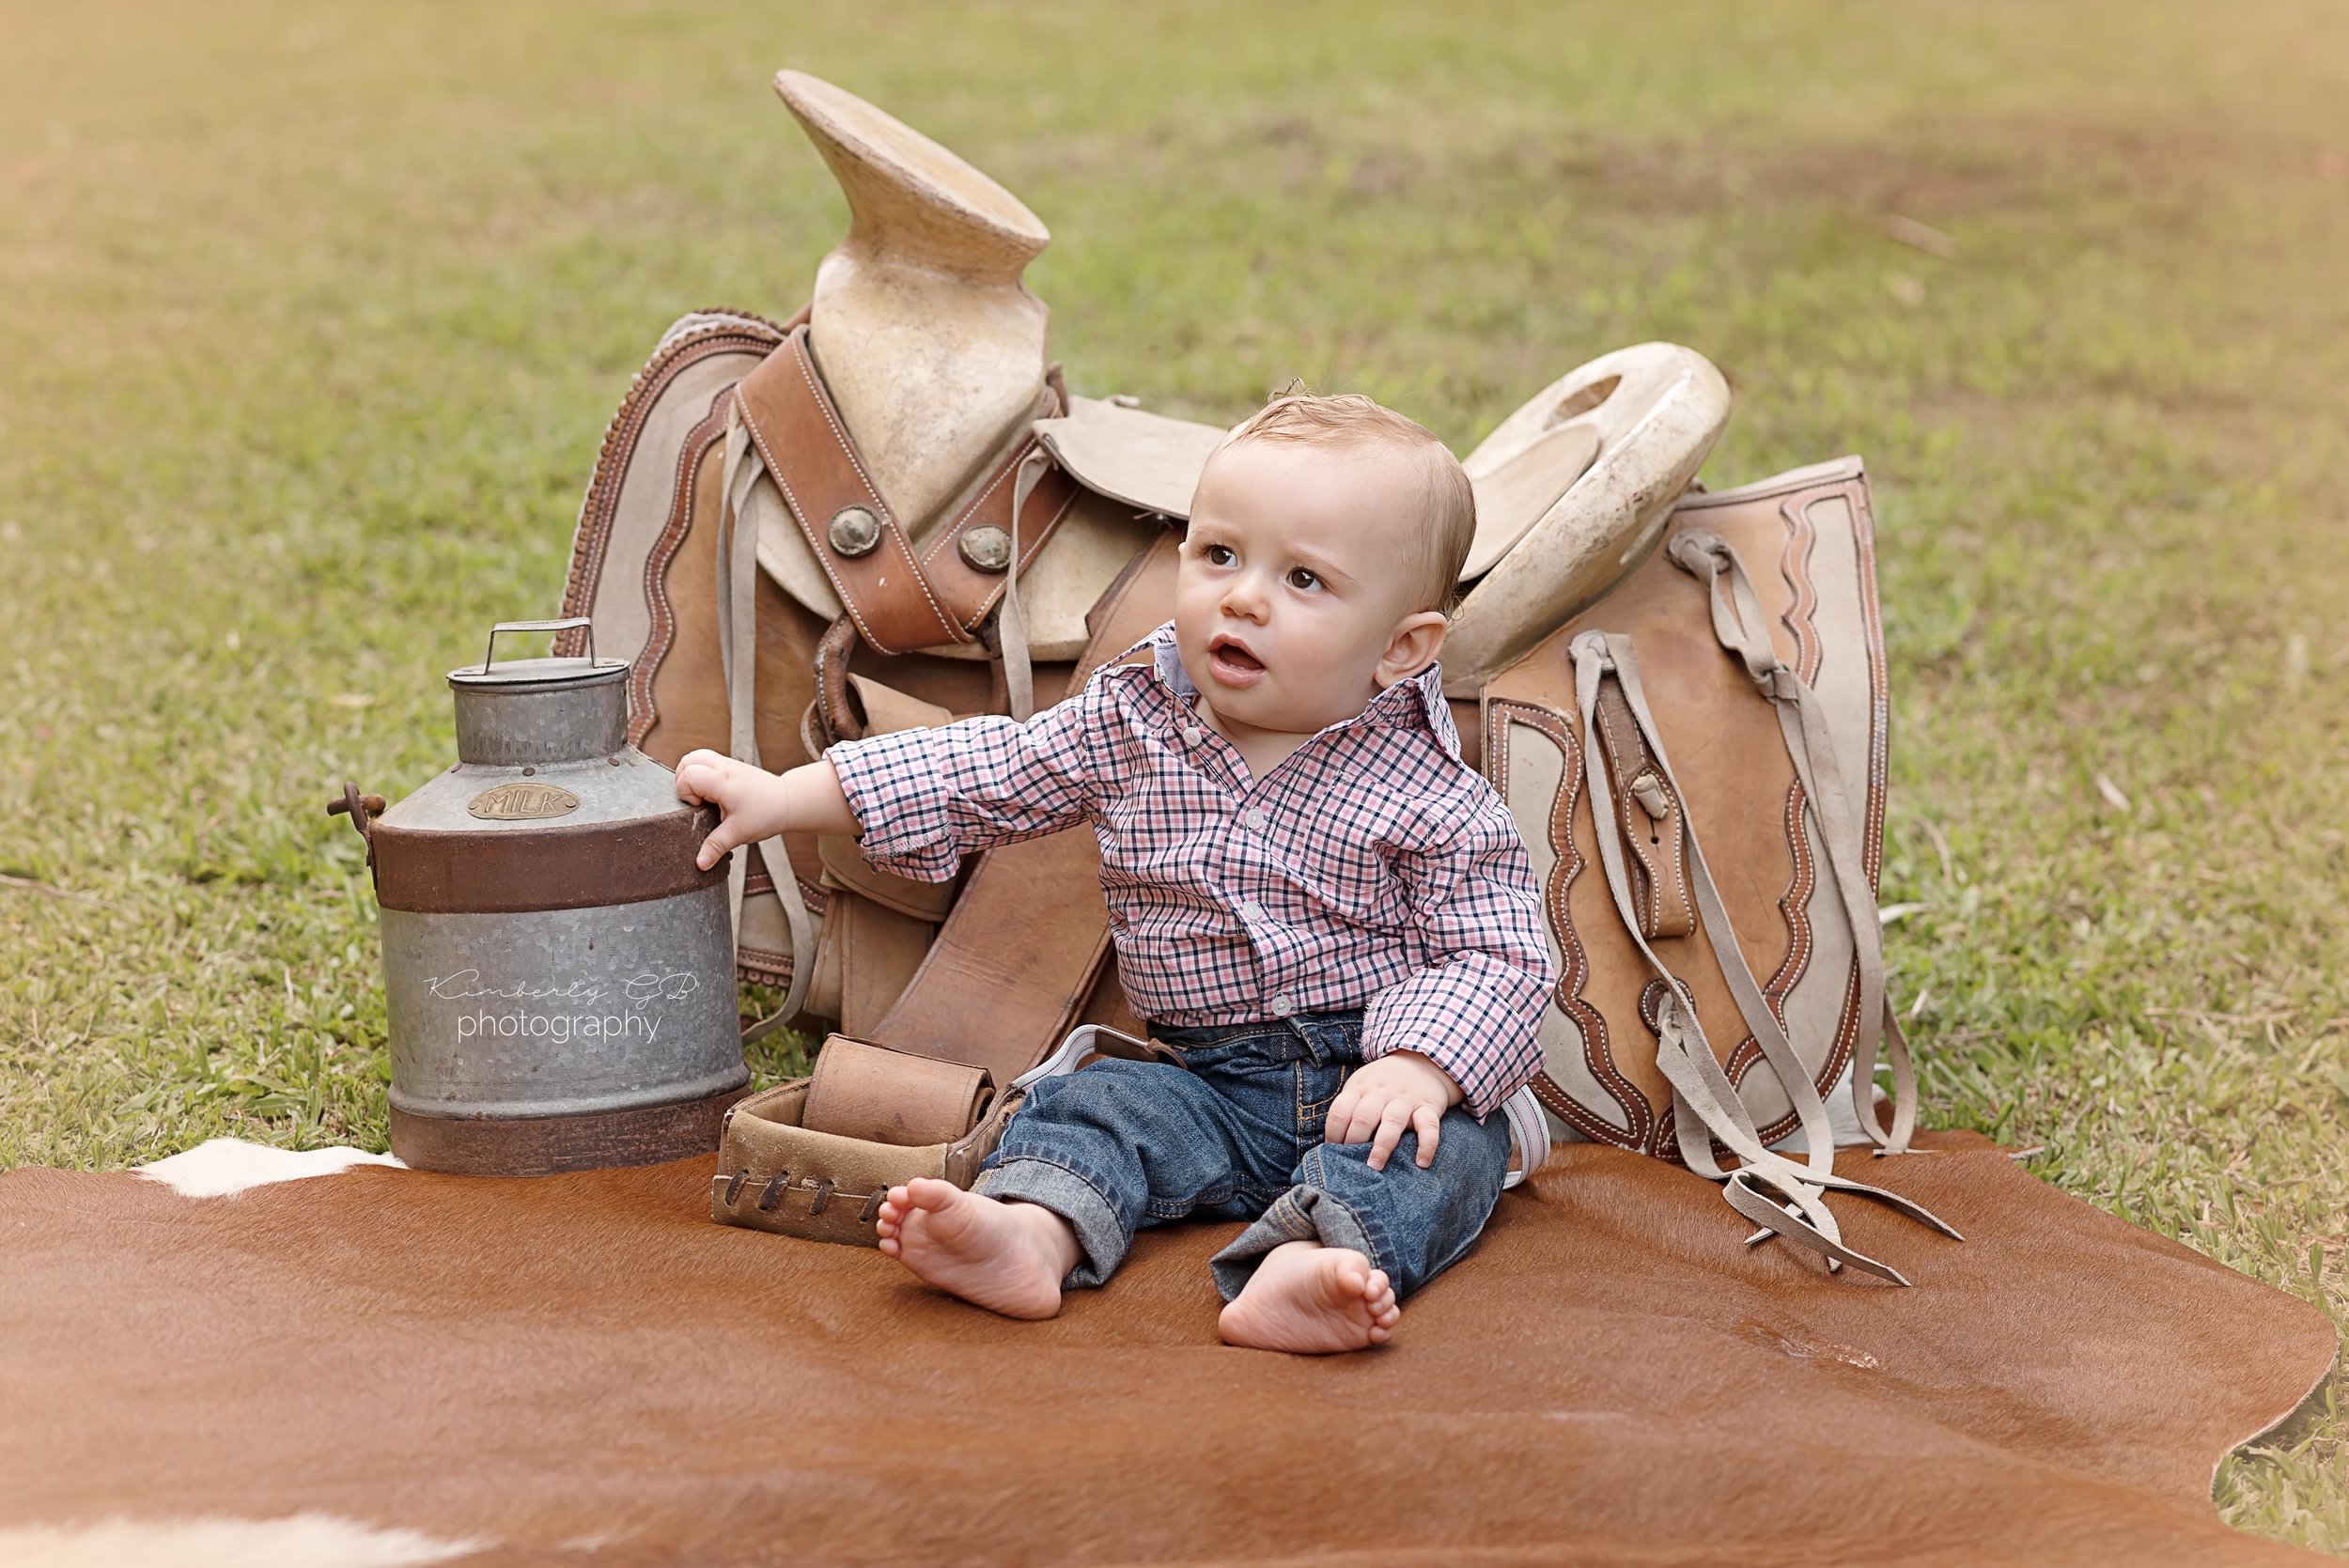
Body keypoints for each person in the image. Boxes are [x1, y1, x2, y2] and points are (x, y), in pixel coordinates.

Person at [676, 392, 1555, 1354]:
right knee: (1094, 1105)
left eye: (1302, 578)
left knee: (1445, 1156)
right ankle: (1030, 1231)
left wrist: (1422, 1065)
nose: (1243, 596)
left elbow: (1497, 953)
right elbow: (985, 772)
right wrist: (789, 795)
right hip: (1207, 1079)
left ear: (1400, 647)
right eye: (1219, 553)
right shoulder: (1136, 720)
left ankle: (1317, 1262)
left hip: (1371, 1076)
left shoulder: (1430, 793)